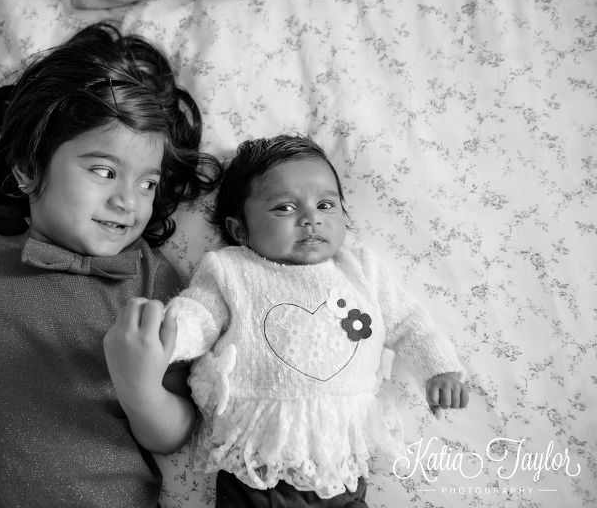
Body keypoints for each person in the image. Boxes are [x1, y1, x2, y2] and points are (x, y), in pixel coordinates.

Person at [0, 22, 221, 508]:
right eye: (104, 171)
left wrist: (141, 392)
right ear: (29, 167)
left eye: (147, 183)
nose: (127, 202)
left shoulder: (154, 281)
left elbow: (175, 433)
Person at [160, 135, 470, 507]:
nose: (311, 218)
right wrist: (165, 336)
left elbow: (408, 320)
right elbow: (201, 314)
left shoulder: (361, 270)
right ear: (240, 230)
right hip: (259, 457)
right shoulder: (231, 270)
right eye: (285, 208)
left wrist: (440, 369)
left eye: (325, 204)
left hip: (339, 455)